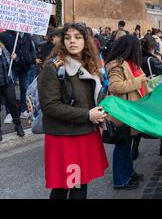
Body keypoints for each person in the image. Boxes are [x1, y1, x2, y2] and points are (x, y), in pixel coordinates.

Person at [37, 23, 108, 199]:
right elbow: (50, 106)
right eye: (67, 38)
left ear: (86, 40)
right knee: (65, 187)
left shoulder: (90, 65)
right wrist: (87, 115)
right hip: (66, 137)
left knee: (79, 184)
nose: (72, 41)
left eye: (77, 37)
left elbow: (93, 96)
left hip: (85, 132)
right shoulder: (53, 68)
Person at [106, 35, 149, 190]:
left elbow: (142, 83)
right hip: (123, 113)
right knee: (122, 147)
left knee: (128, 145)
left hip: (133, 112)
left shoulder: (133, 64)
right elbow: (115, 87)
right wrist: (140, 81)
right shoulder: (117, 65)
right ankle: (119, 180)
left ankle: (129, 172)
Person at [130, 35, 162, 160]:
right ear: (154, 46)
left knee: (140, 120)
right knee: (161, 118)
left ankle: (135, 147)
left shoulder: (138, 59)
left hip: (141, 91)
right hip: (154, 91)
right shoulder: (152, 60)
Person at [0, 30, 37, 122]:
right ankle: (10, 113)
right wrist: (8, 56)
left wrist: (31, 59)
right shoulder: (4, 35)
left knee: (24, 89)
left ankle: (24, 110)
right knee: (10, 91)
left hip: (24, 67)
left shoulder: (27, 35)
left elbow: (31, 50)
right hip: (11, 68)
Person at [0, 42, 25, 141]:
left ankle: (18, 125)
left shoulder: (4, 50)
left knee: (13, 105)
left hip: (7, 83)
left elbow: (14, 64)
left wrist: (15, 58)